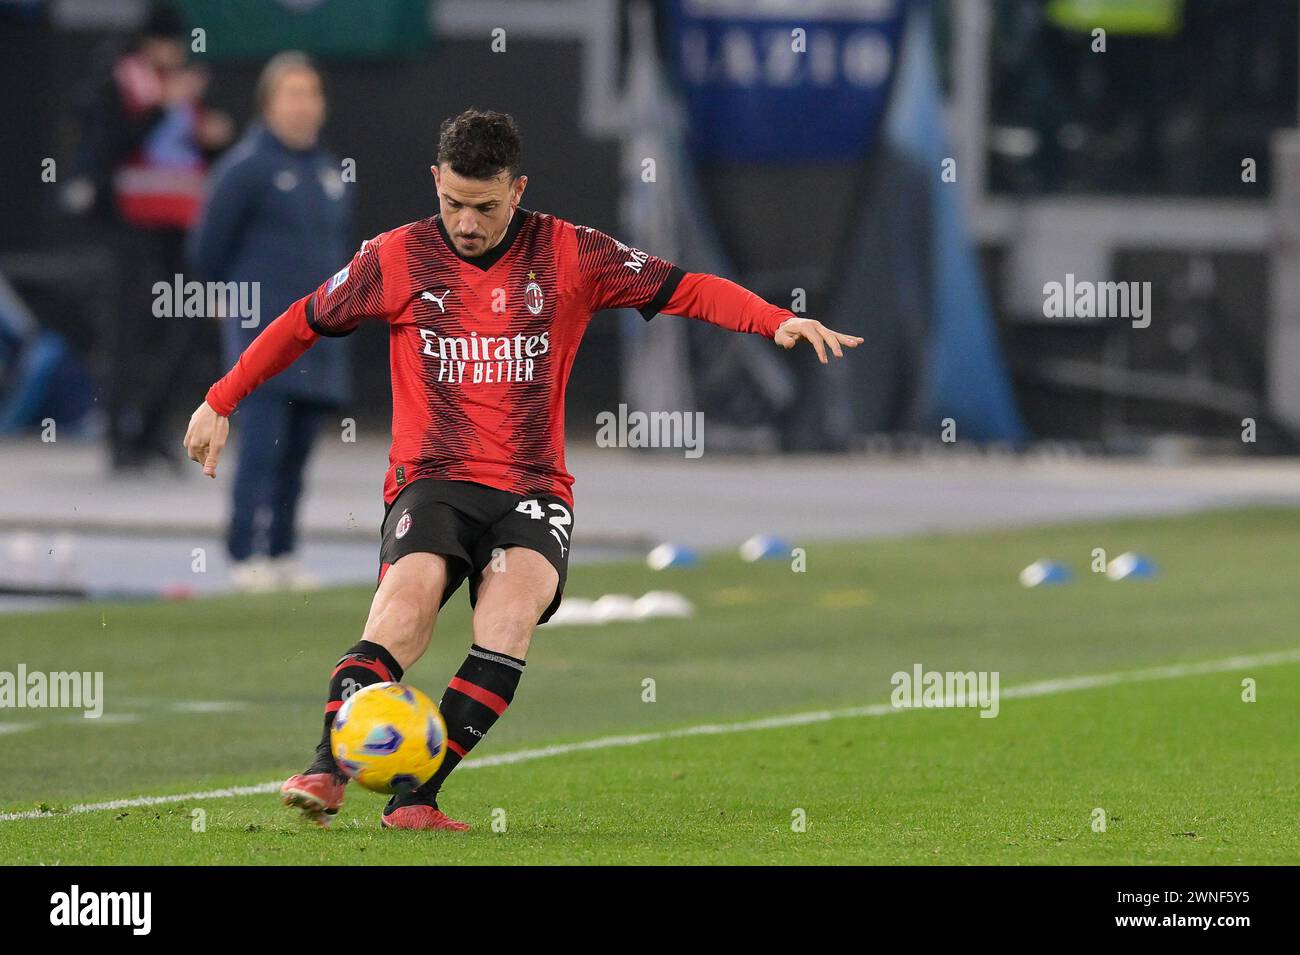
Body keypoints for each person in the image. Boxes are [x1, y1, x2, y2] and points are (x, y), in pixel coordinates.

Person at [182, 109, 862, 831]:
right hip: (434, 479)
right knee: (404, 611)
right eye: (453, 203)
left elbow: (683, 285)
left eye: (485, 206)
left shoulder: (572, 252)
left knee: (507, 624)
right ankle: (326, 764)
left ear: (518, 189)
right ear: (436, 181)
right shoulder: (397, 257)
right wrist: (220, 399)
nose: (467, 222)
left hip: (533, 489)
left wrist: (772, 320)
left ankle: (417, 794)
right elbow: (301, 320)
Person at [188, 53, 351, 591]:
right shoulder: (245, 167)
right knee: (260, 448)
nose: (303, 106)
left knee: (298, 452)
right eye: (292, 94)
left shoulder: (331, 172)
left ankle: (282, 550)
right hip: (262, 338)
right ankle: (243, 553)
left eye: (312, 94)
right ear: (268, 103)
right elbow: (208, 249)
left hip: (319, 339)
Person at [65, 2, 233, 470]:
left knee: (194, 322)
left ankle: (154, 426)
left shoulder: (189, 83)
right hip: (130, 229)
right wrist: (162, 105)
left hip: (182, 230)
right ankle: (120, 439)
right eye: (163, 43)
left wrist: (211, 135)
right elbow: (111, 147)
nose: (171, 53)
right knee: (127, 332)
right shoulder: (119, 82)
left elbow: (197, 150)